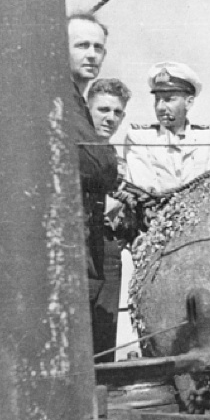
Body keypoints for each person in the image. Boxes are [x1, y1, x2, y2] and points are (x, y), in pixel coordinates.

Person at [64, 12, 119, 358]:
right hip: (72, 241)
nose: (91, 54)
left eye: (98, 47)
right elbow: (99, 165)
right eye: (82, 45)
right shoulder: (64, 100)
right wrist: (112, 164)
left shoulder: (77, 102)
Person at [124, 61, 210, 193]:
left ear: (189, 102)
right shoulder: (140, 137)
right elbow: (145, 191)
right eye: (157, 99)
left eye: (169, 99)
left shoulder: (208, 138)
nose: (160, 107)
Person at [86, 78, 132, 360]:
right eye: (103, 109)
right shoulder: (76, 151)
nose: (110, 118)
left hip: (109, 252)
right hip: (80, 248)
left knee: (104, 342)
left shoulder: (117, 160)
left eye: (117, 112)